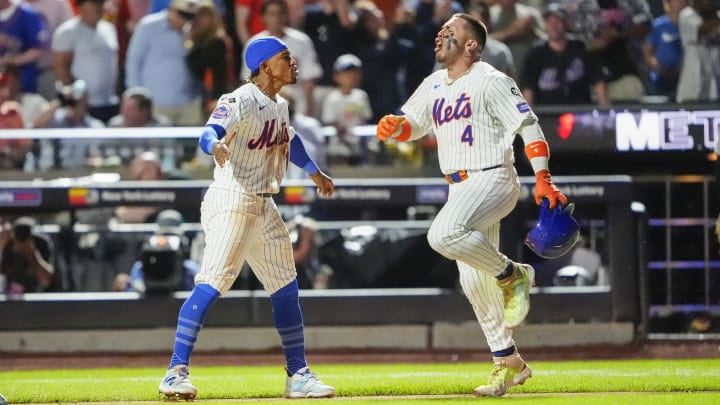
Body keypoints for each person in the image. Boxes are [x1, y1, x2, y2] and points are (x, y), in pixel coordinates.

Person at [375, 13, 567, 397]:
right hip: (459, 186)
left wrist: (543, 176)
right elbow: (414, 124)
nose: (440, 34)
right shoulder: (433, 83)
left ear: (471, 45)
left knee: (443, 234)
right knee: (473, 281)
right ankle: (508, 361)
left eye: (451, 31)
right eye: (441, 29)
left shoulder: (492, 79)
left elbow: (528, 126)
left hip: (493, 175)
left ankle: (515, 273)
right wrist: (397, 127)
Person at [158, 36, 336, 400]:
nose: (293, 62)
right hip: (233, 197)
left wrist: (315, 172)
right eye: (285, 57)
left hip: (264, 203)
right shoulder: (238, 99)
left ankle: (298, 374)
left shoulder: (279, 105)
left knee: (286, 287)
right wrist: (215, 144)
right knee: (213, 283)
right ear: (265, 66)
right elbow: (209, 131)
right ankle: (175, 372)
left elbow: (291, 140)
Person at [112, 209, 199, 293]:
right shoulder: (141, 267)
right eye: (164, 236)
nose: (168, 242)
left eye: (172, 237)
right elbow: (133, 297)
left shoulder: (190, 270)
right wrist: (126, 287)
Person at [0, 216, 55, 294]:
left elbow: (46, 282)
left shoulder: (40, 243)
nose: (21, 238)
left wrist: (31, 253)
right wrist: (2, 245)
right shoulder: (8, 245)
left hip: (35, 300)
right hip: (8, 300)